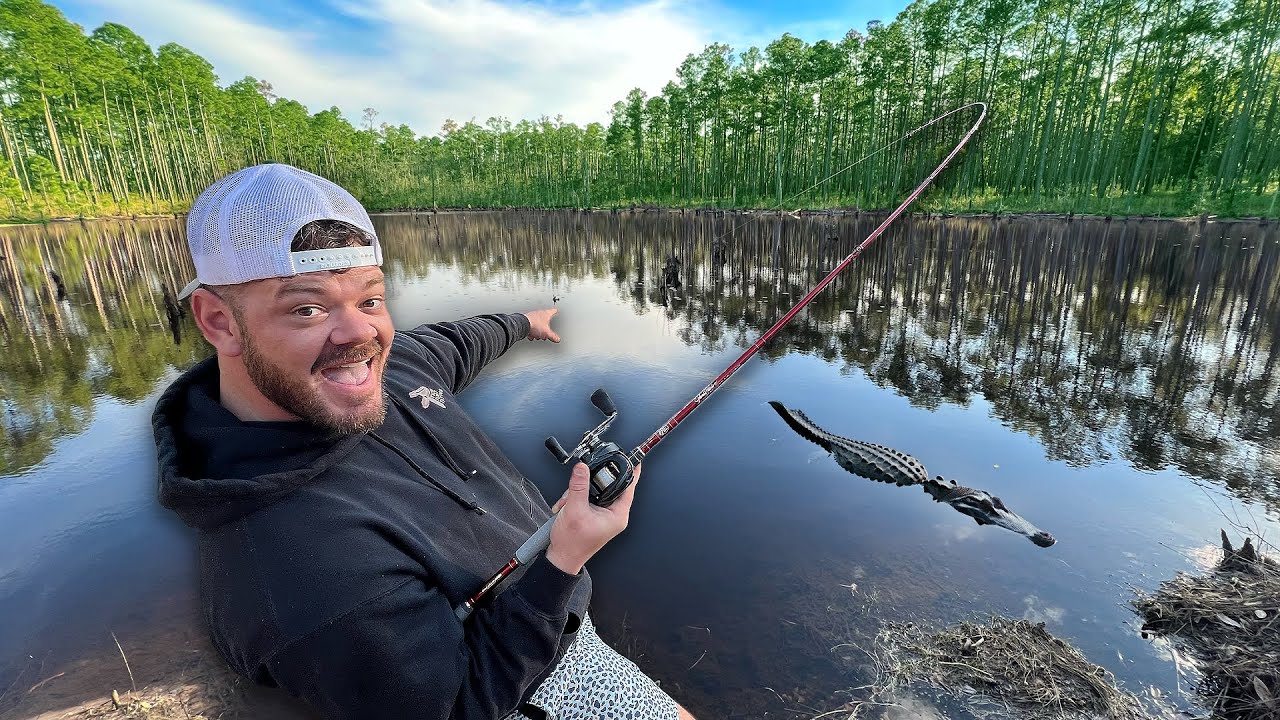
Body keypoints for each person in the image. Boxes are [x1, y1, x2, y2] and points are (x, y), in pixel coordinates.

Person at [152, 163, 695, 720]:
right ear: (219, 321)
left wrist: (522, 322)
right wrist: (561, 561)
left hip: (548, 623)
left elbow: (455, 342)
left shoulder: (390, 369)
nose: (361, 334)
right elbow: (458, 705)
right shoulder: (293, 569)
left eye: (369, 299)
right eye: (307, 308)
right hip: (522, 688)